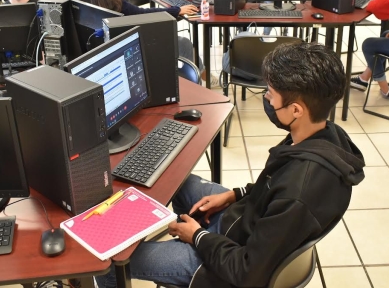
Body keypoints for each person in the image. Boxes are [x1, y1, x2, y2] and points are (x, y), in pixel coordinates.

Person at [96, 42, 365, 288]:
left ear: (296, 110)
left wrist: (198, 237)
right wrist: (234, 194)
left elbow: (247, 272)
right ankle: (186, 236)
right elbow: (273, 186)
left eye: (271, 94)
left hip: (226, 267)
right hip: (242, 222)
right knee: (178, 180)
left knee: (109, 264)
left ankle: (186, 251)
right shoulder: (323, 134)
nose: (267, 100)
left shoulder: (299, 192)